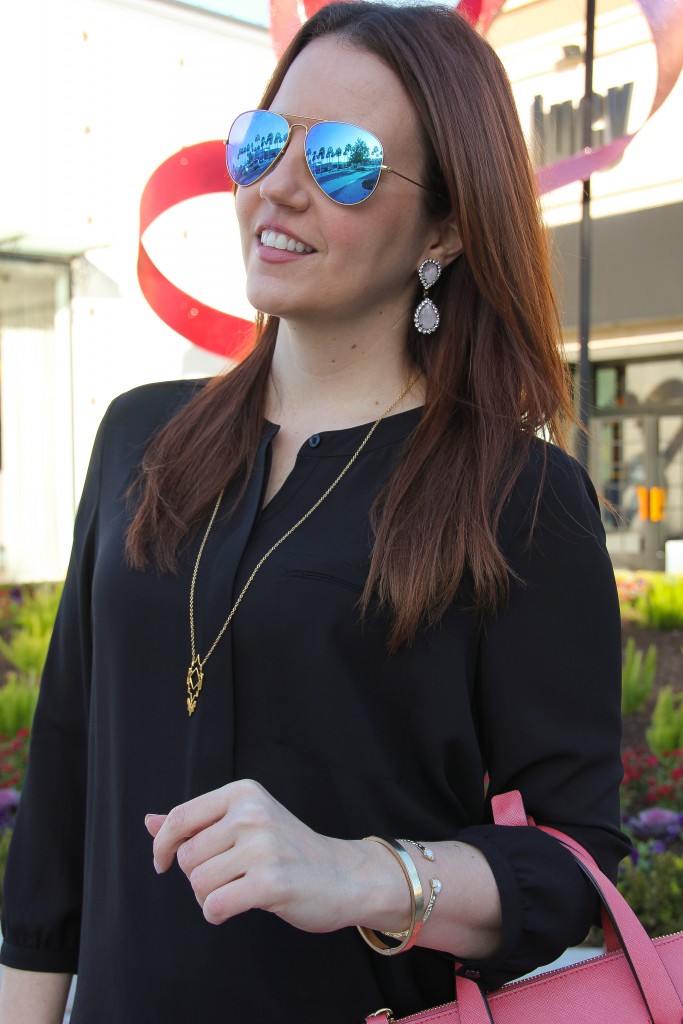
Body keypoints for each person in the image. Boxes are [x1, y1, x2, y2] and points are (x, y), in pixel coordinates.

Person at [0, 3, 628, 1022]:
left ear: (446, 229)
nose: (278, 186)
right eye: (264, 140)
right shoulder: (138, 437)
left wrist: (363, 873)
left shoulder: (518, 498)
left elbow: (571, 865)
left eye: (342, 161)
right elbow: (67, 767)